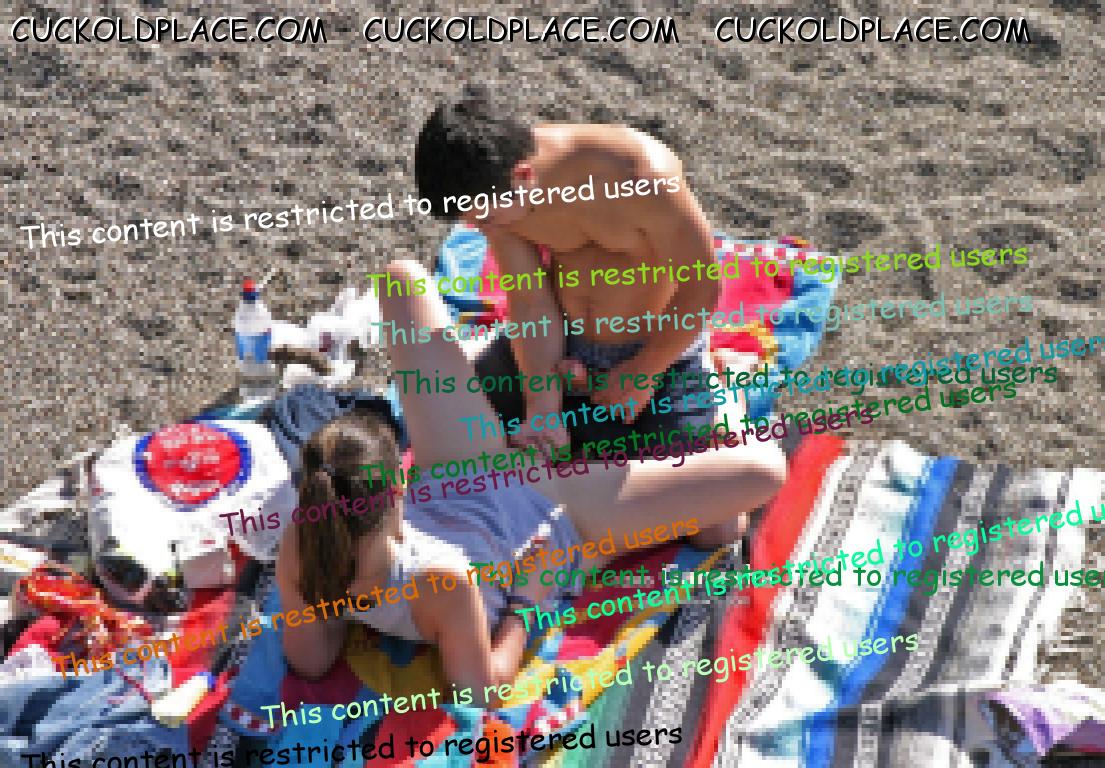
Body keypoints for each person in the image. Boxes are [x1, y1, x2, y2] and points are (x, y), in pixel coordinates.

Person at [276, 261, 786, 697]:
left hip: (464, 474)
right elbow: (483, 689)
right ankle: (717, 393)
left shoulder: (301, 545)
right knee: (748, 491)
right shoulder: (439, 580)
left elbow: (312, 661)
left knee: (400, 281)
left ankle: (547, 383)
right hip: (551, 511)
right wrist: (527, 600)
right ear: (396, 490)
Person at [413, 84, 722, 460]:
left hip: (659, 350)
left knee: (679, 473)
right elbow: (529, 300)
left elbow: (703, 285)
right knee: (449, 421)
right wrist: (542, 407)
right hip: (561, 349)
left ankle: (722, 393)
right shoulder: (496, 190)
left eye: (485, 218)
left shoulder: (644, 176)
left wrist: (646, 370)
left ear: (523, 175)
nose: (479, 228)